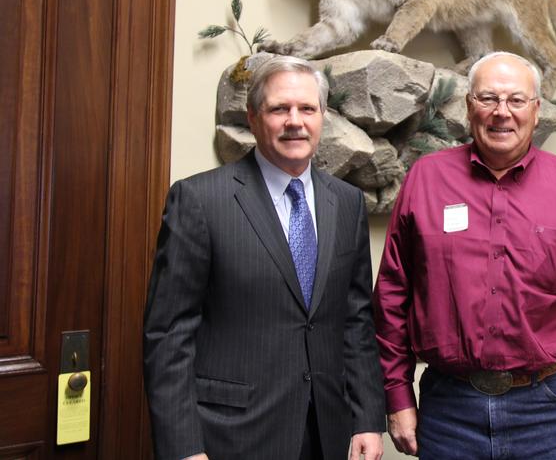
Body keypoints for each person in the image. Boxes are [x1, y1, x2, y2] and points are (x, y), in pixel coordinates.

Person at [373, 51, 556, 460]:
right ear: (469, 106)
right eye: (488, 98)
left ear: (536, 109)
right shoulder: (426, 179)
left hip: (550, 411)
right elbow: (391, 296)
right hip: (449, 409)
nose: (501, 113)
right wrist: (397, 395)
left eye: (515, 100)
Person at [143, 56, 385, 460]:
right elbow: (169, 335)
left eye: (307, 109)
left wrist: (367, 418)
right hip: (232, 436)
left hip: (329, 431)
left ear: (322, 117)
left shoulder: (346, 202)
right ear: (254, 118)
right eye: (279, 109)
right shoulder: (201, 200)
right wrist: (183, 447)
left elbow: (356, 320)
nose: (295, 121)